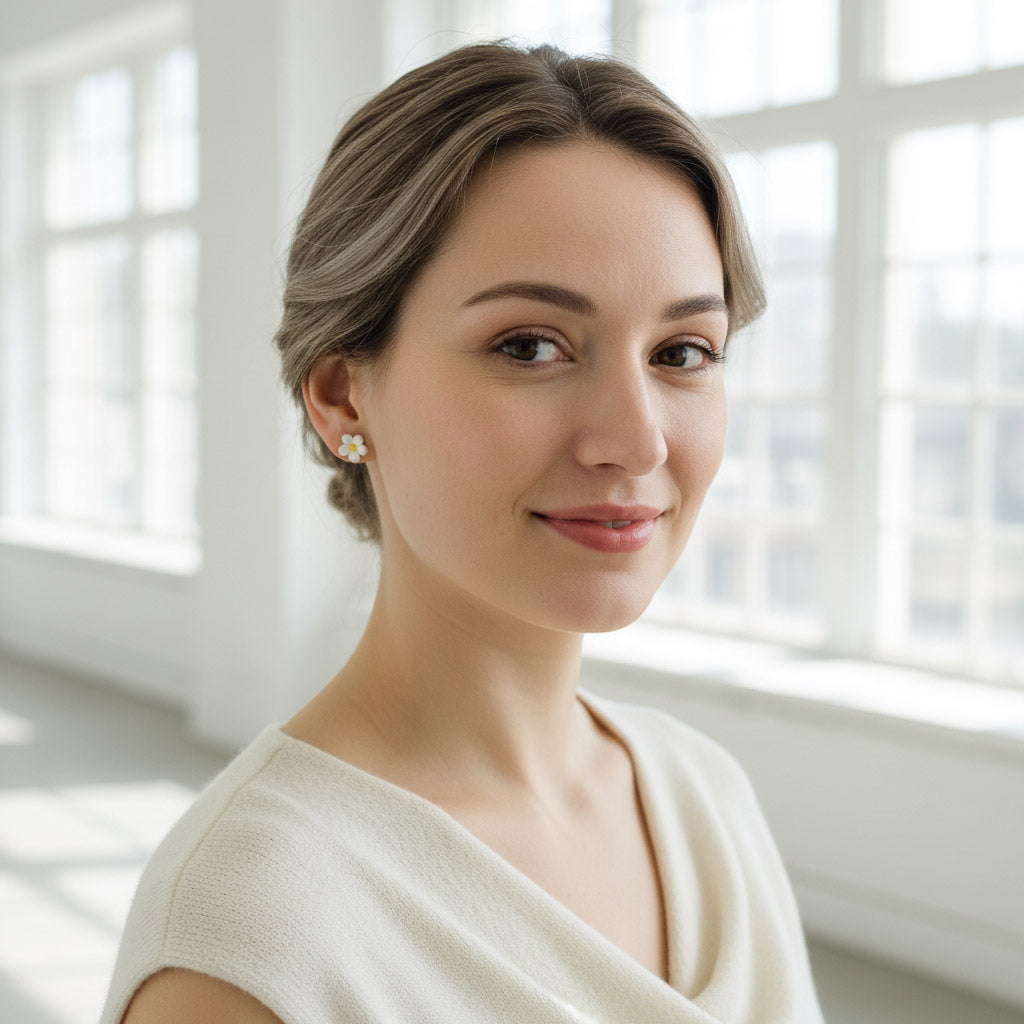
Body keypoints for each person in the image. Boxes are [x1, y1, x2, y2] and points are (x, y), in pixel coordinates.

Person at [102, 40, 825, 1024]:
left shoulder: (705, 796)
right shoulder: (251, 938)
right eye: (530, 345)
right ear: (340, 393)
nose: (634, 437)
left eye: (682, 351)